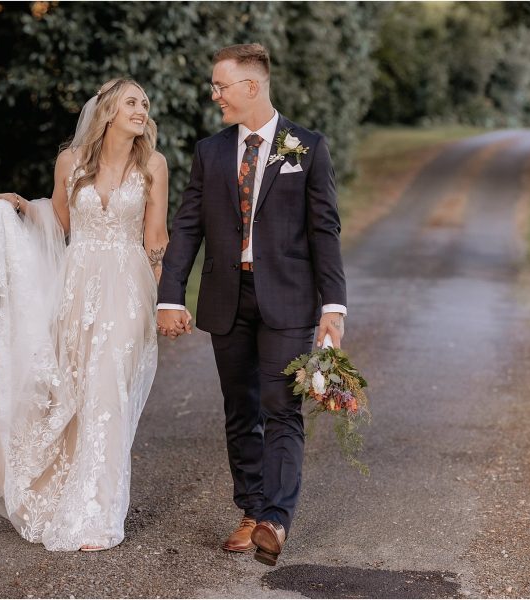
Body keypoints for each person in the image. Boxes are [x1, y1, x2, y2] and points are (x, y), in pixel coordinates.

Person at [0, 78, 179, 552]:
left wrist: (165, 302)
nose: (141, 109)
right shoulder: (71, 161)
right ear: (106, 111)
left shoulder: (153, 165)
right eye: (132, 102)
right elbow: (61, 223)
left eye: (145, 103)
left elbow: (155, 240)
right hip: (75, 286)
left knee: (108, 394)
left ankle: (99, 515)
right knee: (73, 395)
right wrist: (24, 208)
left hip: (126, 289)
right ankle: (62, 497)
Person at [157, 44, 347, 566]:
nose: (214, 95)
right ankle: (251, 508)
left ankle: (275, 520)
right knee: (240, 410)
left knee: (281, 406)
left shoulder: (306, 147)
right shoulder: (211, 151)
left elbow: (324, 230)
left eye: (221, 85)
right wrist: (170, 295)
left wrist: (334, 306)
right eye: (215, 86)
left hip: (289, 298)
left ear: (253, 86)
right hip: (227, 296)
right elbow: (188, 226)